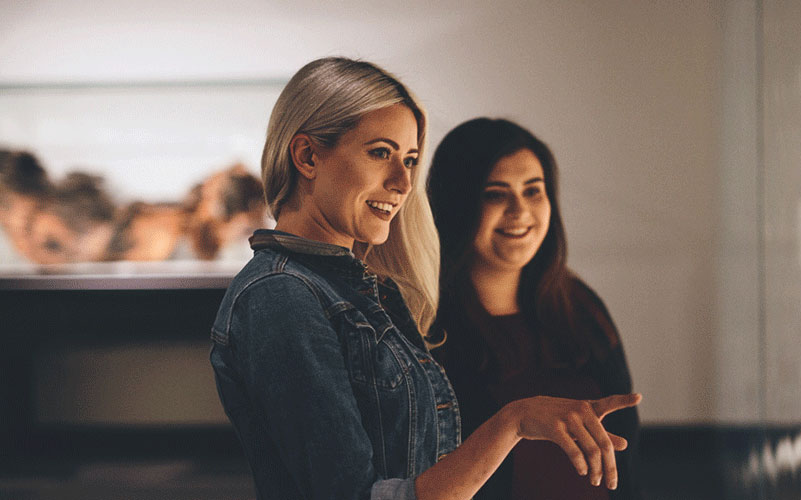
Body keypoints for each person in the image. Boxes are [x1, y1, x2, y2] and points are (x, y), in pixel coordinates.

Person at [208, 57, 640, 500]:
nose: (403, 182)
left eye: (410, 159)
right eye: (380, 153)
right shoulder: (281, 295)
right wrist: (512, 423)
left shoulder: (364, 289)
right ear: (307, 155)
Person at [426, 118, 642, 499]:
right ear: (458, 203)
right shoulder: (424, 325)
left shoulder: (580, 306)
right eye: (496, 194)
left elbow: (627, 459)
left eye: (533, 191)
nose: (519, 211)